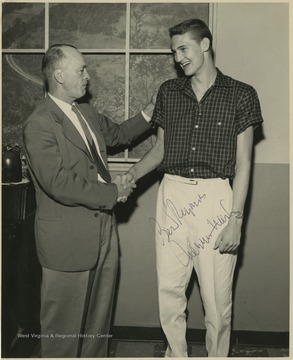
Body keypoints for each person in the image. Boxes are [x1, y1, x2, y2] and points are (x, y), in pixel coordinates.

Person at [121, 19, 263, 357]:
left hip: (216, 197)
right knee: (169, 291)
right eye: (174, 51)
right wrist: (131, 175)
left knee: (217, 300)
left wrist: (236, 219)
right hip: (172, 195)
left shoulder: (241, 94)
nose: (178, 57)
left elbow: (244, 163)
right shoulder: (170, 92)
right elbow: (160, 150)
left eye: (183, 48)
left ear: (205, 44)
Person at [23, 44, 155, 358]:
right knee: (63, 335)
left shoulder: (85, 111)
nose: (87, 76)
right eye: (81, 69)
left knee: (98, 327)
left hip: (104, 233)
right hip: (67, 242)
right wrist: (113, 192)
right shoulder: (39, 123)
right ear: (59, 74)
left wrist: (149, 111)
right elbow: (58, 183)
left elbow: (120, 134)